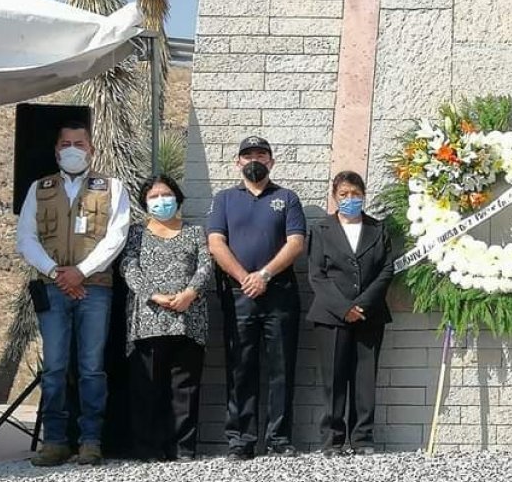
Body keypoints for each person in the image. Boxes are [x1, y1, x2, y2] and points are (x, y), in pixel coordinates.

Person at [15, 120, 131, 466]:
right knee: (54, 367)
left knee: (91, 367)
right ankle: (54, 441)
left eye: (79, 144)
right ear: (56, 150)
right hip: (53, 288)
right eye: (65, 143)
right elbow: (26, 238)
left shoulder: (112, 187)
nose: (72, 149)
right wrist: (57, 273)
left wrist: (81, 272)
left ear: (91, 149)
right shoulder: (39, 188)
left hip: (94, 289)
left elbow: (117, 235)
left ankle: (90, 440)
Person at [207, 136, 306, 460]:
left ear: (271, 161)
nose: (254, 160)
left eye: (261, 155)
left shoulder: (287, 198)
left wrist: (263, 275)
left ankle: (279, 438)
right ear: (237, 162)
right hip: (238, 296)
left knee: (282, 368)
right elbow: (216, 243)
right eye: (248, 155)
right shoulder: (223, 199)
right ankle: (241, 440)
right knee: (240, 367)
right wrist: (244, 278)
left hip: (279, 294)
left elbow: (295, 243)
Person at [119, 175, 213, 462]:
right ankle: (148, 448)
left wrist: (190, 293)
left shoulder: (195, 232)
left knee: (183, 388)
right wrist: (154, 295)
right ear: (145, 203)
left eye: (166, 194)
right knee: (148, 387)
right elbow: (128, 266)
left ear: (178, 197)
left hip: (188, 319)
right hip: (148, 320)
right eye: (154, 196)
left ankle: (182, 448)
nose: (161, 201)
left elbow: (206, 264)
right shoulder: (136, 234)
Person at [307, 171, 395, 456]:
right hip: (331, 315)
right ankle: (333, 439)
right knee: (333, 378)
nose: (350, 199)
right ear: (334, 197)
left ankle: (362, 438)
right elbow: (317, 275)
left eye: (355, 194)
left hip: (370, 315)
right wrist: (344, 308)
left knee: (364, 377)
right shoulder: (321, 230)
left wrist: (363, 305)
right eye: (344, 194)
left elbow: (386, 269)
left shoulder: (377, 228)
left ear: (364, 195)